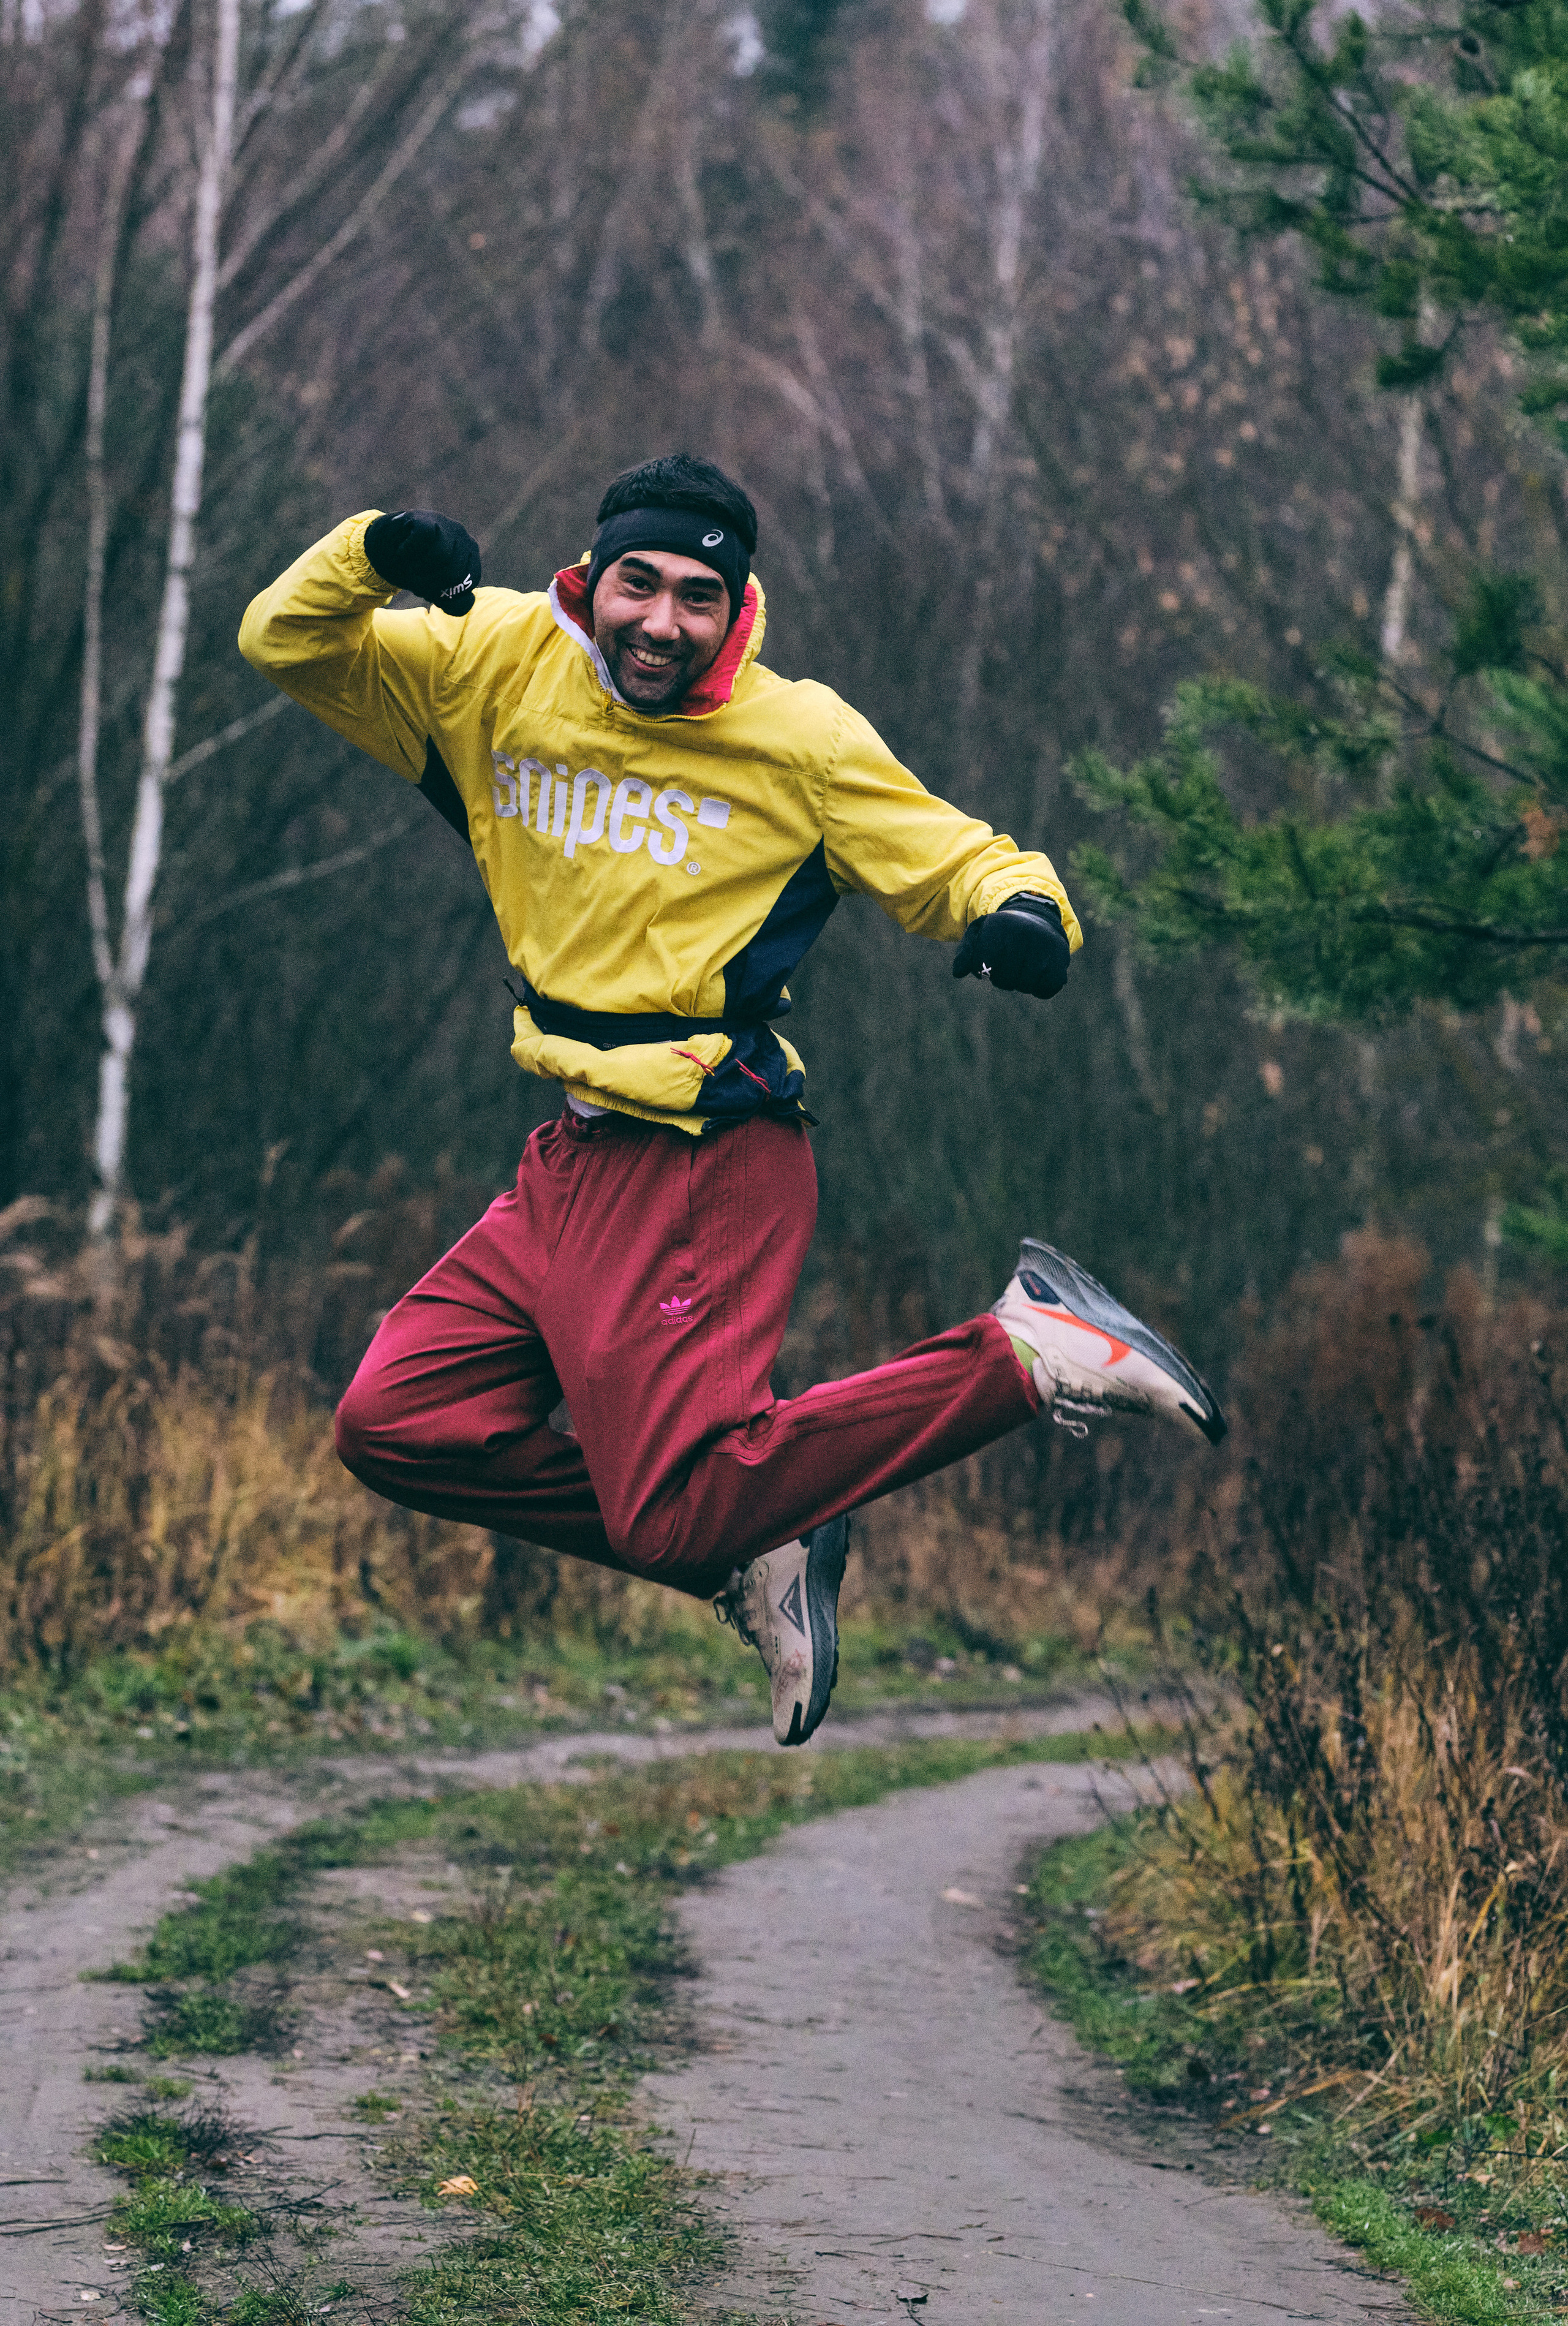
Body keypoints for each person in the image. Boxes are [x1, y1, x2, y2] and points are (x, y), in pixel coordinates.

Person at [238, 453, 1224, 1747]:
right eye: (637, 585)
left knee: (671, 1508)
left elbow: (965, 860)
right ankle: (758, 1540)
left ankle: (1024, 1354)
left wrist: (1022, 918)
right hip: (570, 1157)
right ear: (588, 580)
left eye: (697, 598)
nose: (660, 623)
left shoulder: (795, 735)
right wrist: (376, 549)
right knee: (398, 1422)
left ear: (736, 608)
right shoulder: (484, 660)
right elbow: (285, 640)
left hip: (704, 1150)